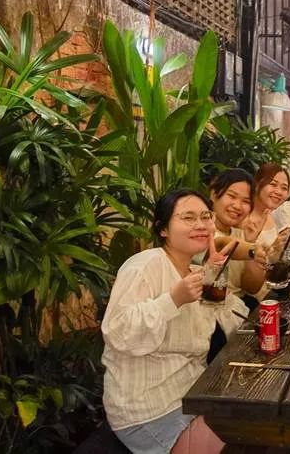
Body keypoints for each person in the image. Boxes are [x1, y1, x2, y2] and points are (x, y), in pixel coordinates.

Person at [102, 189, 248, 454]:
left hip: (193, 391)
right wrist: (172, 300)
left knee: (257, 427)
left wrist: (216, 276)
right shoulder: (145, 265)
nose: (200, 225)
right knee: (241, 440)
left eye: (205, 216)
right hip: (148, 407)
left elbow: (236, 322)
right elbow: (118, 332)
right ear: (163, 229)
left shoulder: (197, 273)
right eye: (188, 218)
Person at [208, 169, 268, 305]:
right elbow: (222, 244)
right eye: (232, 196)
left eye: (245, 201)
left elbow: (251, 287)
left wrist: (251, 241)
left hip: (238, 307)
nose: (237, 206)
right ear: (214, 194)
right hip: (212, 310)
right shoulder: (202, 230)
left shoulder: (240, 233)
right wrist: (253, 249)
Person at [241, 163, 290, 248]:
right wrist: (274, 248)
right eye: (273, 184)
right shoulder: (241, 216)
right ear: (257, 184)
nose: (279, 192)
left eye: (284, 188)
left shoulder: (270, 214)